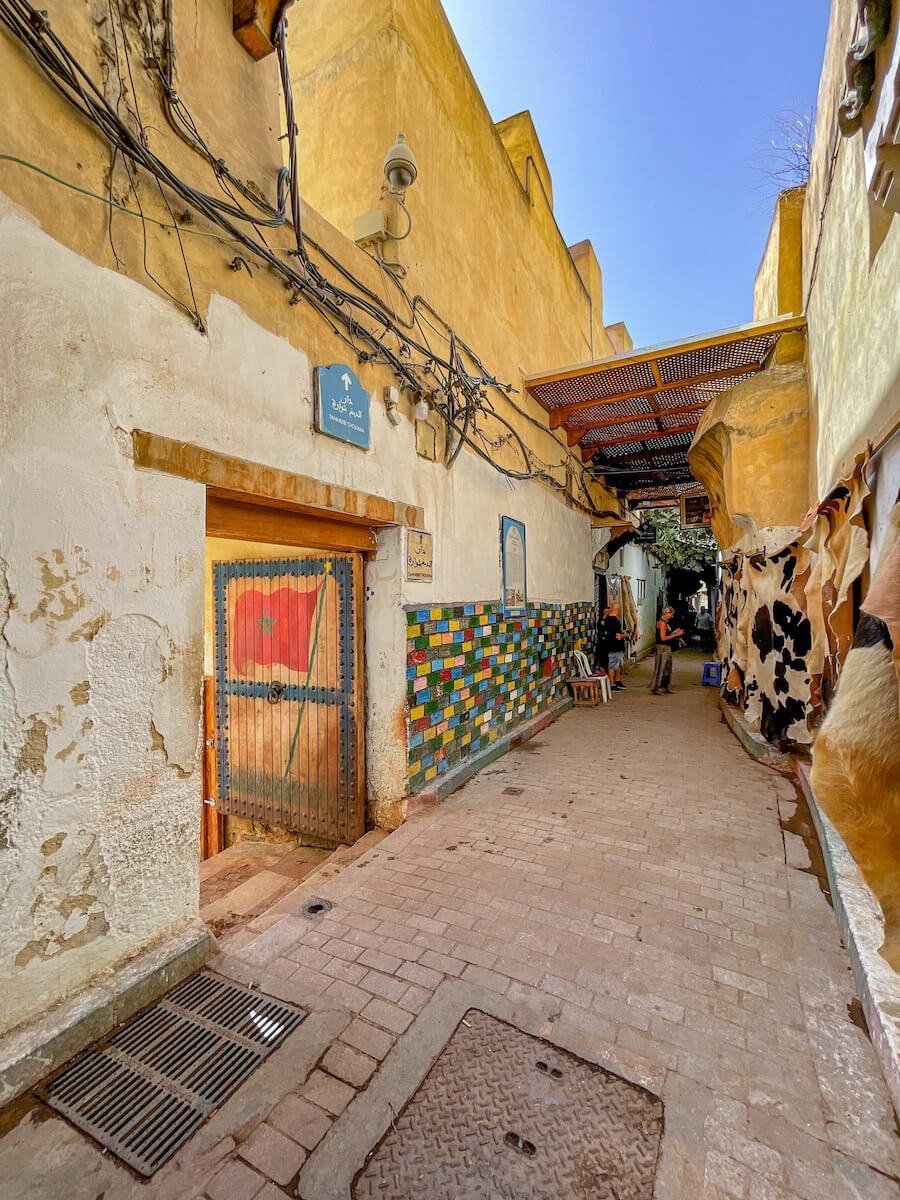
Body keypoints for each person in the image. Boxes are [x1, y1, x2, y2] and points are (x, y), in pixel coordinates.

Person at [650, 606, 684, 695]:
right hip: (662, 648)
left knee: (667, 668)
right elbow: (663, 638)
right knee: (661, 667)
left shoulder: (666, 623)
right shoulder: (662, 623)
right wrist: (676, 635)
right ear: (666, 613)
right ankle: (656, 687)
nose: (672, 616)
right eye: (671, 614)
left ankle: (664, 687)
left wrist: (674, 633)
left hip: (666, 647)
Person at [599, 601, 628, 691]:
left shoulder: (607, 620)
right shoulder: (614, 621)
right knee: (612, 666)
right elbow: (618, 636)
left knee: (617, 665)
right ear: (618, 609)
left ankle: (617, 681)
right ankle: (612, 685)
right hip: (614, 647)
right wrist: (625, 635)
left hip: (612, 646)